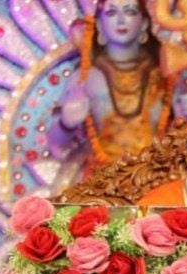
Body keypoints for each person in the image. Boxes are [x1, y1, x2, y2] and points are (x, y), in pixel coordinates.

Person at [49, 0, 171, 166]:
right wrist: (66, 123)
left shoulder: (165, 76)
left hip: (156, 175)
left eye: (130, 12)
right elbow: (56, 144)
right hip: (101, 176)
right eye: (111, 13)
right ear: (99, 26)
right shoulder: (83, 78)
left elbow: (185, 137)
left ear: (144, 24)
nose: (121, 20)